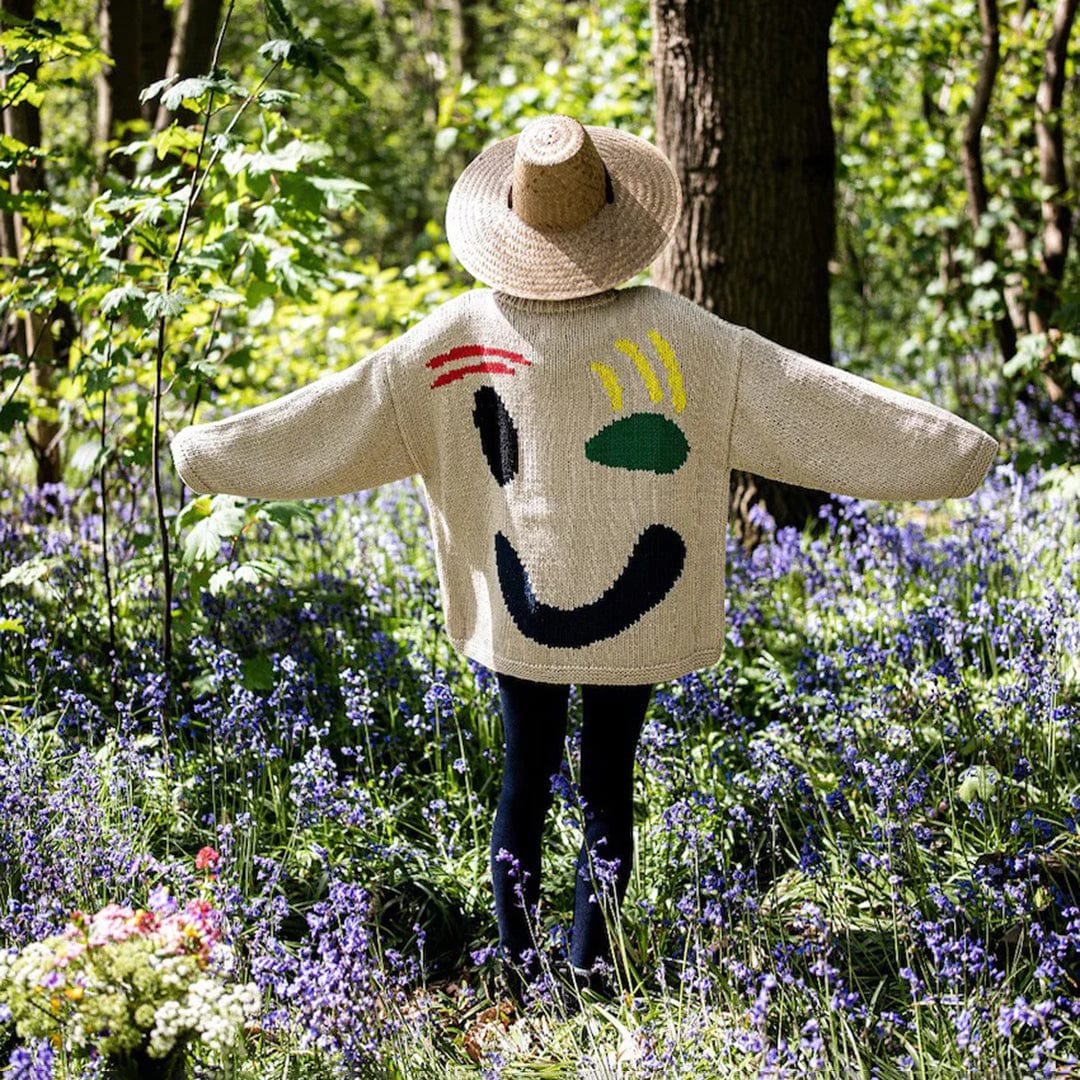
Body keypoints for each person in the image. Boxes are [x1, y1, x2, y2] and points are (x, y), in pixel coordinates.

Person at [170, 114, 998, 1004]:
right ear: (614, 220)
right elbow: (815, 405)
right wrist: (955, 452)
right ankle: (591, 973)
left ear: (511, 219)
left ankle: (522, 981)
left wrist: (207, 453)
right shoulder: (682, 338)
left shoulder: (451, 340)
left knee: (523, 780)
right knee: (609, 786)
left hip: (520, 609)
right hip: (635, 605)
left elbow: (332, 416)